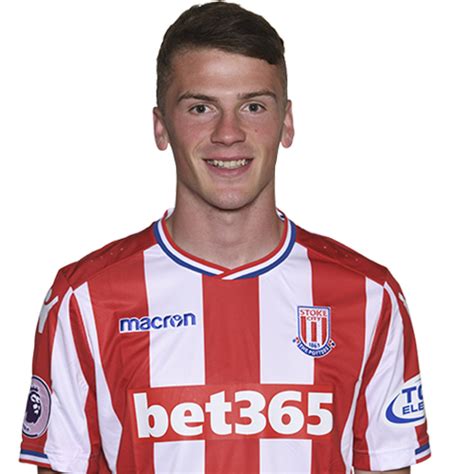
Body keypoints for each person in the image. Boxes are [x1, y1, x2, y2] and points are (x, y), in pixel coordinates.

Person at [19, 2, 430, 473]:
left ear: (286, 123)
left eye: (253, 106)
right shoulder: (84, 299)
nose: (228, 133)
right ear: (161, 126)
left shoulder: (369, 296)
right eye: (201, 108)